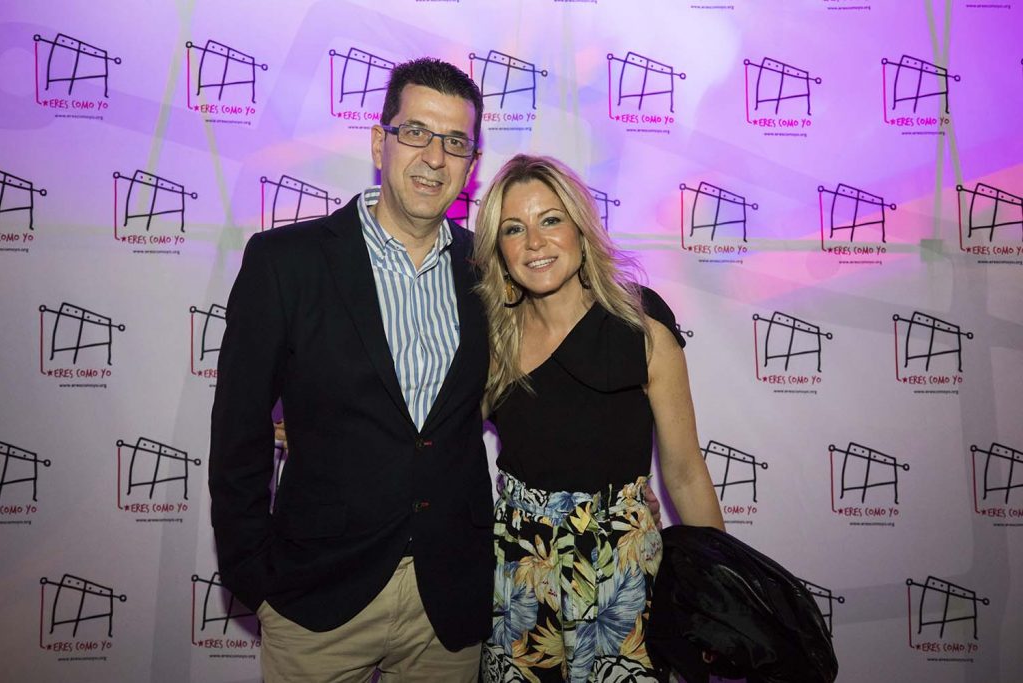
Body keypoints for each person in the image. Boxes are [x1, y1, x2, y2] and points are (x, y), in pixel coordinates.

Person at [209, 58, 493, 682]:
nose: (434, 158)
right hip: (318, 598)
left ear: (471, 164)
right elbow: (238, 430)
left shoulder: (489, 270)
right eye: (415, 132)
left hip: (448, 599)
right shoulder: (286, 262)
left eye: (455, 143)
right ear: (378, 142)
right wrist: (253, 575)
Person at [471, 154, 725, 682]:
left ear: (581, 230)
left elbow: (684, 474)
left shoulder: (640, 326)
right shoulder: (493, 339)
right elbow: (437, 442)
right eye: (514, 229)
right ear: (499, 249)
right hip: (520, 574)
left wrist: (715, 597)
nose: (534, 242)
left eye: (550, 220)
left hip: (622, 574)